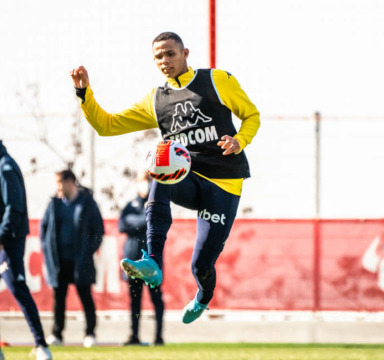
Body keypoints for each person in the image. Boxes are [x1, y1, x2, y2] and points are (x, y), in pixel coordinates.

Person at [70, 31, 260, 324]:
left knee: (201, 265)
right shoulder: (157, 99)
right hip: (190, 180)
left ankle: (203, 297)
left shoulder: (217, 81)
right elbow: (107, 126)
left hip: (223, 184)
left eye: (170, 54)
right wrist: (84, 94)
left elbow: (252, 115)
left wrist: (240, 141)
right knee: (159, 166)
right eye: (158, 56)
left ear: (185, 53)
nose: (164, 61)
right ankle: (153, 261)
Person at [0, 123, 52, 360]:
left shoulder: (5, 167)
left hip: (5, 243)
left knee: (18, 289)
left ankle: (42, 346)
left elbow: (14, 208)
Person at [40, 169, 104, 348]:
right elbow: (44, 230)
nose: (58, 187)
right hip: (59, 262)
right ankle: (57, 334)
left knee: (85, 297)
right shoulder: (54, 204)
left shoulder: (87, 202)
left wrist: (88, 252)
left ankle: (90, 333)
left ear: (70, 182)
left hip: (80, 262)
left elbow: (98, 231)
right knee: (58, 299)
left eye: (60, 183)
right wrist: (48, 252)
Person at [118, 171, 164, 346]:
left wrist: (135, 222)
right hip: (132, 260)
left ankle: (158, 336)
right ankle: (134, 335)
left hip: (152, 261)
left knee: (156, 299)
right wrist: (143, 220)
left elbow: (153, 222)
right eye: (141, 181)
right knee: (135, 301)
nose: (144, 184)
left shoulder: (157, 203)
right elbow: (122, 224)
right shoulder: (130, 204)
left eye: (147, 181)